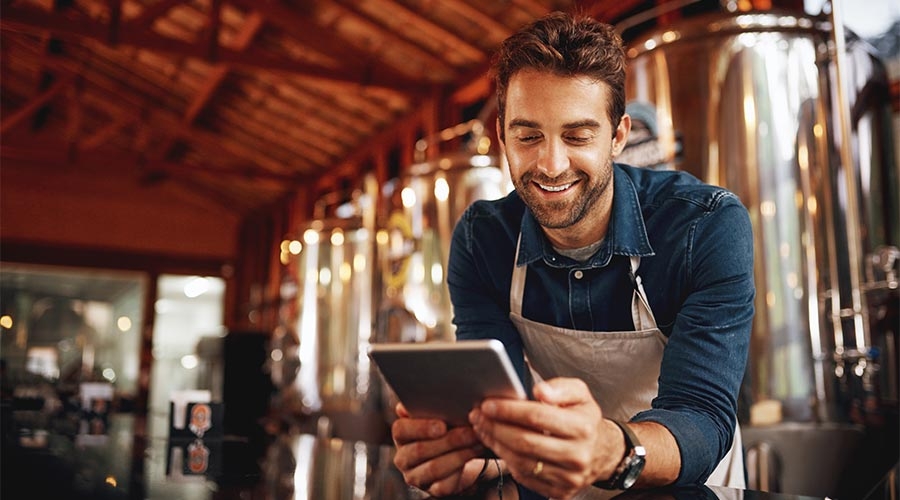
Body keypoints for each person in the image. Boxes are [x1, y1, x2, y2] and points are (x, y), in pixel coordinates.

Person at [390, 11, 754, 500]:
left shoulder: (704, 226)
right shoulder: (483, 240)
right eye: (528, 136)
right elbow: (502, 403)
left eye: (578, 136)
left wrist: (611, 451)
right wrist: (464, 452)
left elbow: (701, 414)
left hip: (685, 486)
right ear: (502, 139)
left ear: (618, 136)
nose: (551, 164)